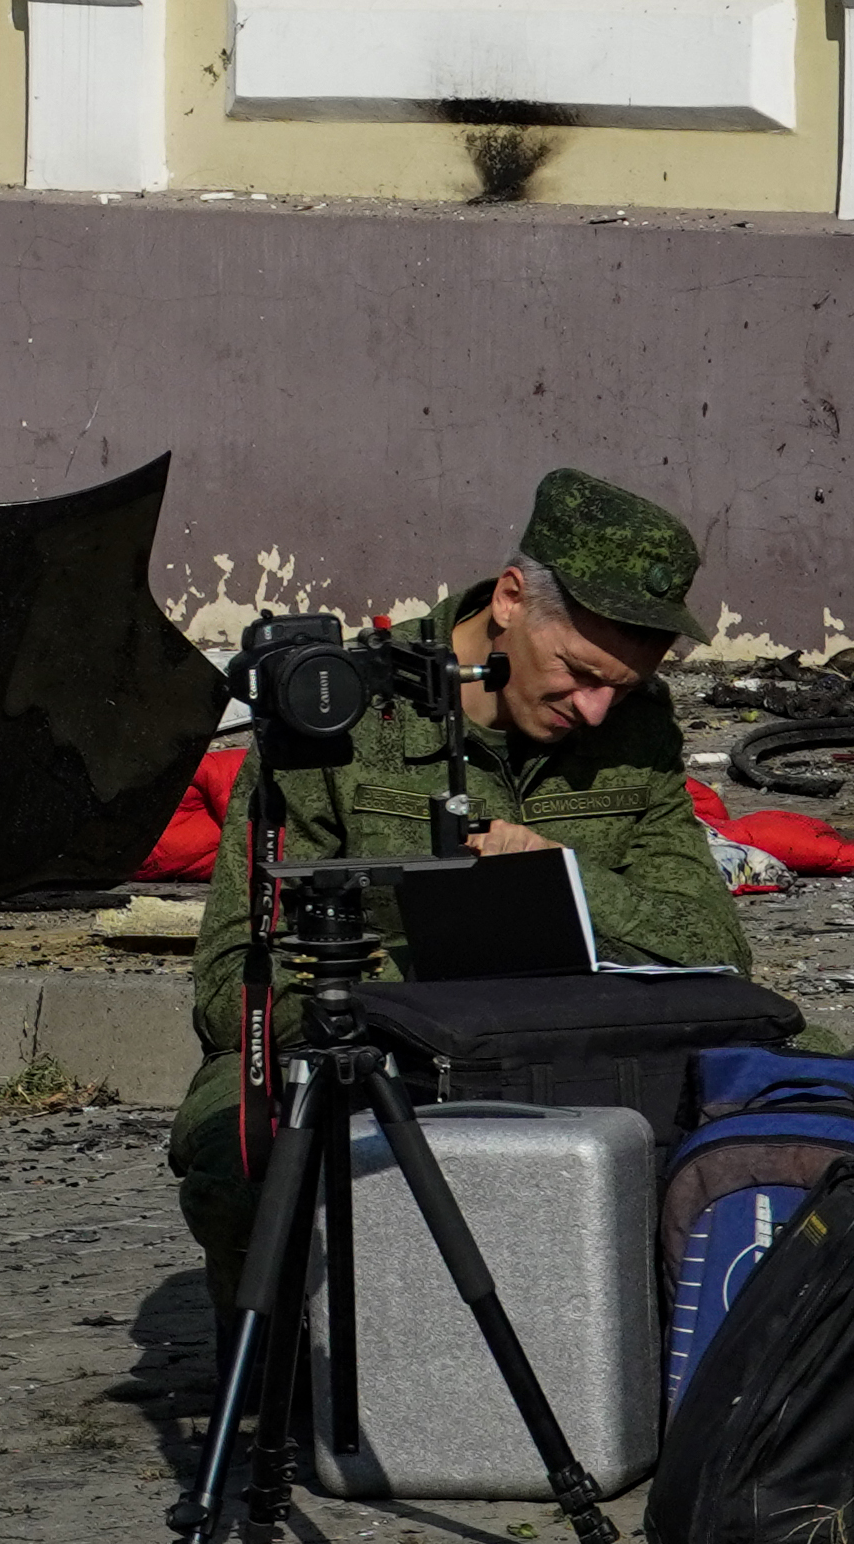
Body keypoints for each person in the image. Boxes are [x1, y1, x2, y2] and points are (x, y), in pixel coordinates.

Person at [165, 467, 749, 1272]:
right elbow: (233, 993)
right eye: (579, 672)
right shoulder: (339, 712)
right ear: (510, 599)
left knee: (810, 1091)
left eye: (621, 687)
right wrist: (427, 984)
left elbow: (716, 950)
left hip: (580, 1046)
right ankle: (296, 1349)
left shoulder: (634, 729)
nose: (595, 710)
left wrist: (563, 879)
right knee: (243, 1151)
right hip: (374, 1050)